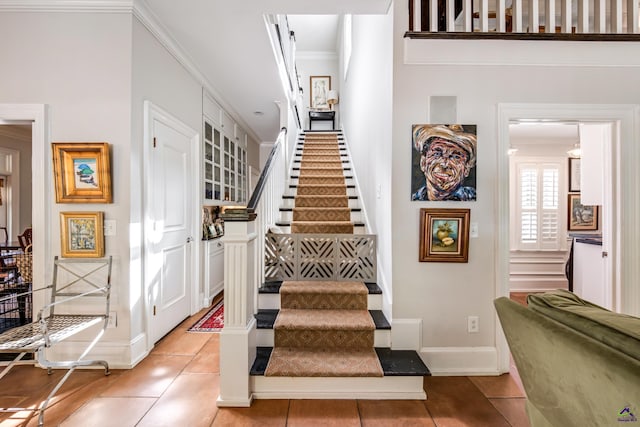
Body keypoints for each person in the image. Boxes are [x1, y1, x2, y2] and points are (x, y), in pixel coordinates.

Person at [412, 124, 477, 201]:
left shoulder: (474, 198)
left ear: (466, 168)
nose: (444, 164)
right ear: (423, 162)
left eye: (456, 157)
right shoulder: (414, 200)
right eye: (436, 154)